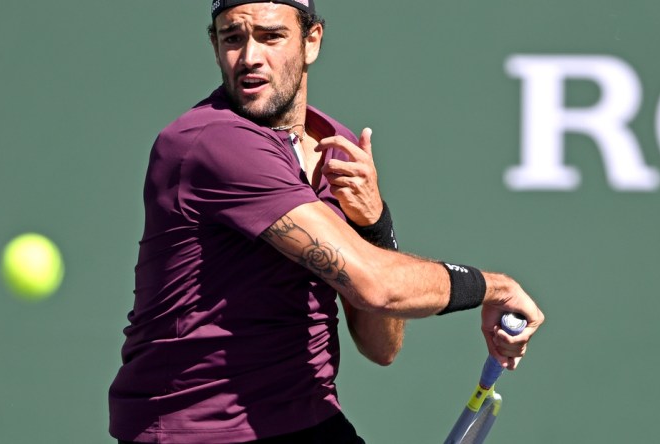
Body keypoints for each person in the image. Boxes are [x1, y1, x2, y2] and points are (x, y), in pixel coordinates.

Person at [108, 1, 545, 443]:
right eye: (233, 38)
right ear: (215, 45)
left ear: (311, 41)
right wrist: (496, 288)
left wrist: (374, 222)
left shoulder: (338, 149)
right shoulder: (212, 143)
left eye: (271, 36)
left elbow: (381, 346)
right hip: (201, 429)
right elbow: (376, 285)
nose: (250, 57)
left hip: (309, 418)